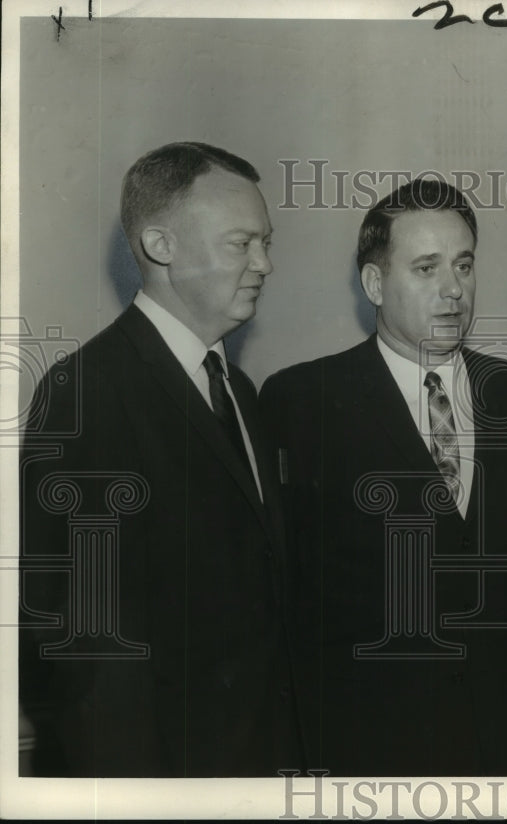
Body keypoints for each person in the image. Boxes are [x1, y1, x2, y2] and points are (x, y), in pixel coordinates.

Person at [260, 178, 507, 776]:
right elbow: (290, 589)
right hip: (364, 742)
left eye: (464, 265)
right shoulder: (303, 402)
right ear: (375, 284)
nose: (454, 290)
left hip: (495, 736)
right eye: (426, 269)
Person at [19, 142, 304, 777]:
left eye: (266, 242)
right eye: (241, 243)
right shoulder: (87, 393)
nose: (264, 263)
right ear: (159, 245)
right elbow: (83, 654)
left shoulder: (241, 391)